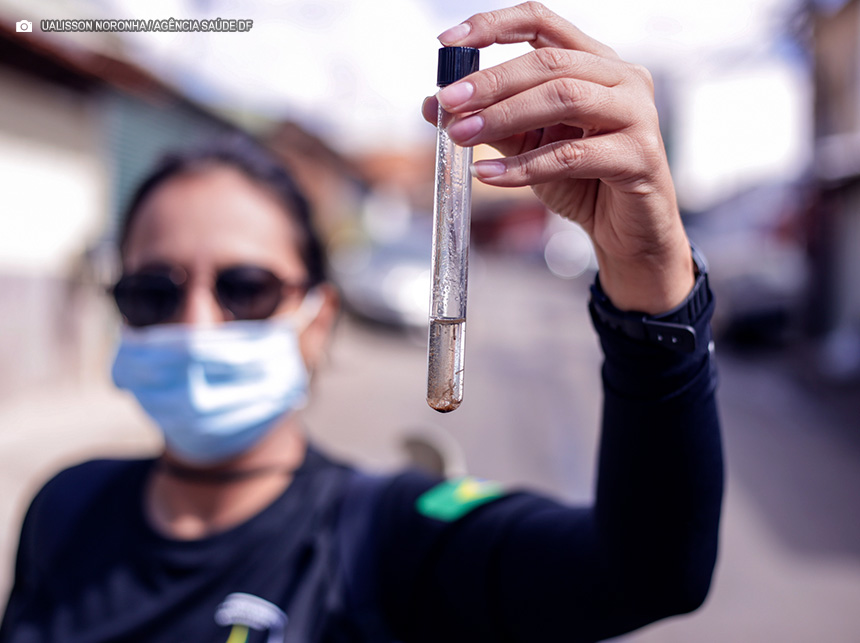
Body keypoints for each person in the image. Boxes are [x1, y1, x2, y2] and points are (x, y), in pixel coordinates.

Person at [0, 3, 723, 642]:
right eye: (153, 291)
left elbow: (648, 574)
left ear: (319, 318)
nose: (196, 322)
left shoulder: (385, 538)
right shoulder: (65, 505)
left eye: (245, 287)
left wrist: (651, 281)